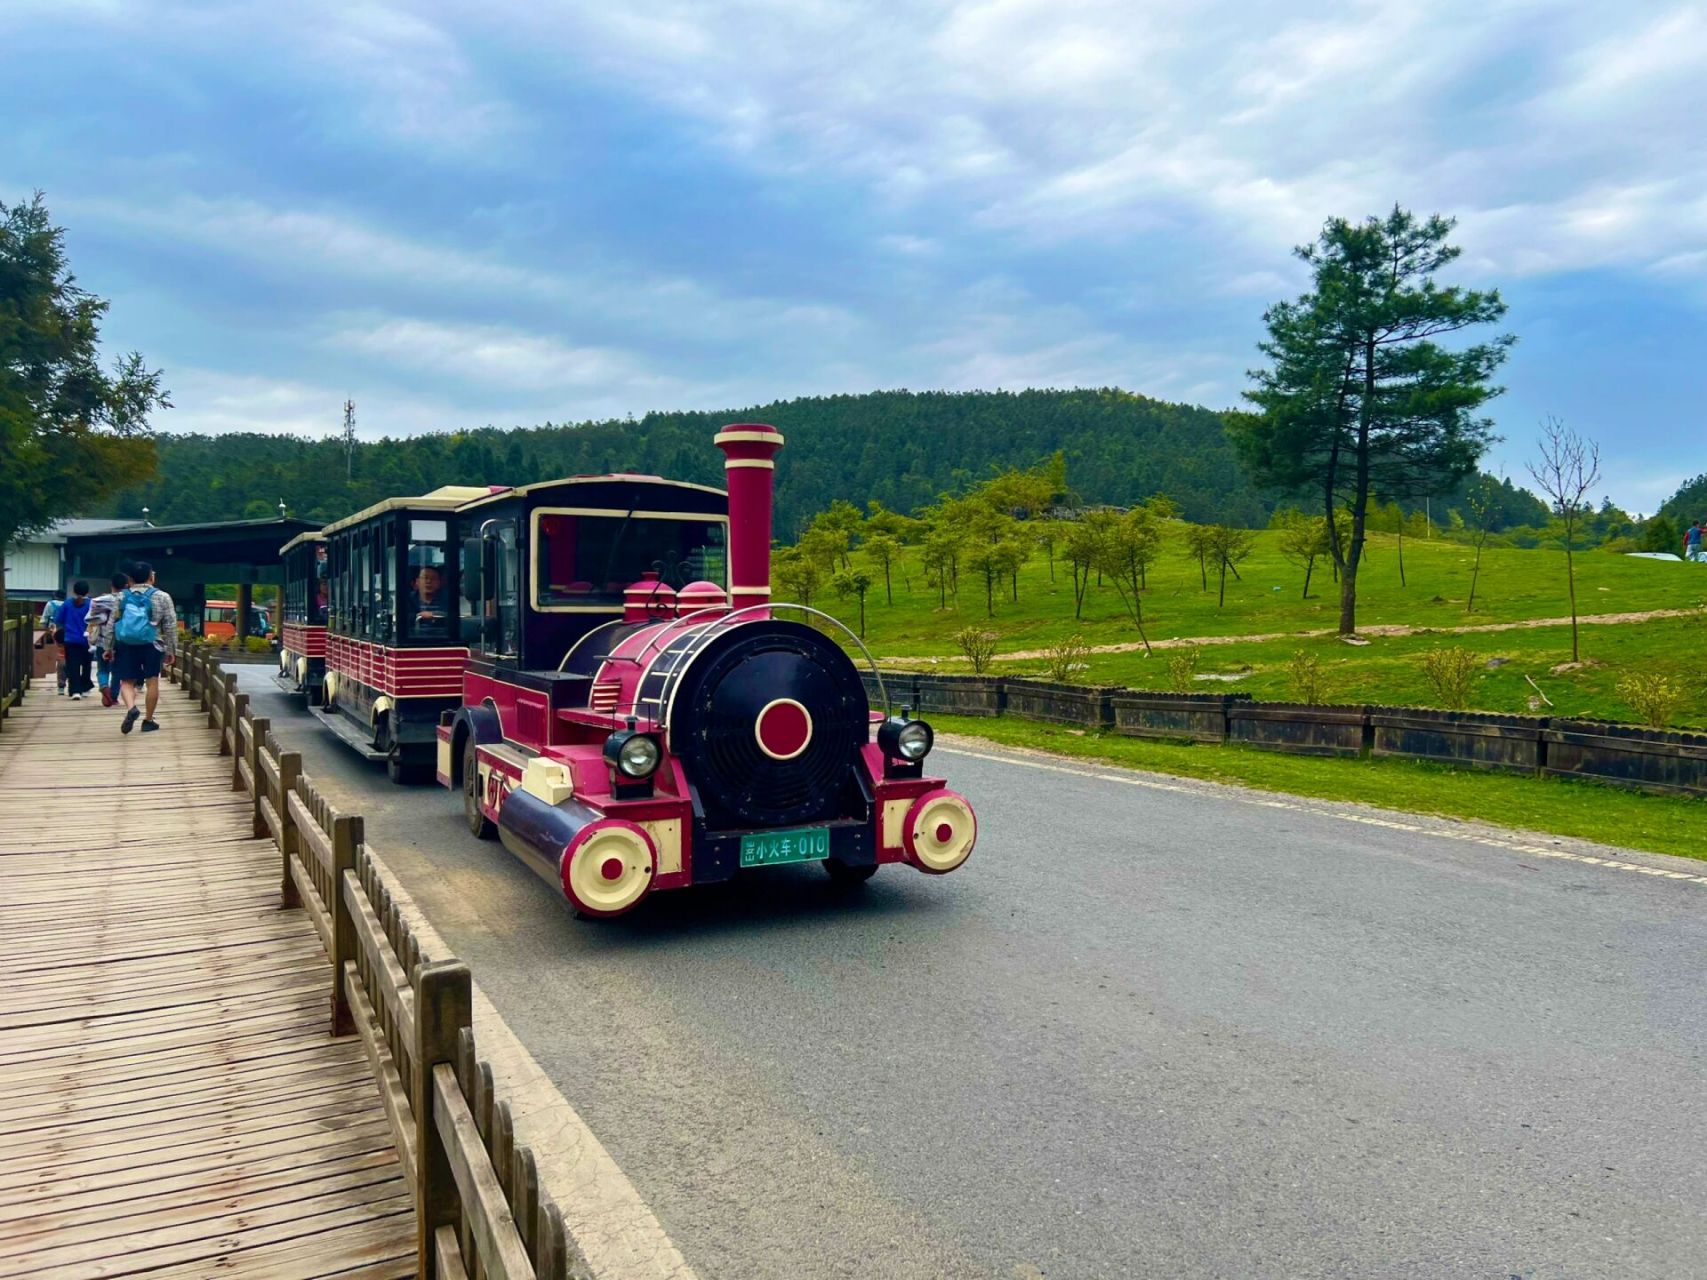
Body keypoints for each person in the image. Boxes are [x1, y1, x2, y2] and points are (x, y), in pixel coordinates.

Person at [107, 561, 178, 734]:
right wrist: (171, 649)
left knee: (126, 681)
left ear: (129, 579)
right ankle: (148, 720)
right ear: (151, 577)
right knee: (152, 681)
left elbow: (111, 624)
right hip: (152, 643)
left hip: (126, 643)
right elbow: (170, 625)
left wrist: (108, 647)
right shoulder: (162, 597)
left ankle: (131, 708)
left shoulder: (120, 597)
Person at [86, 570, 130, 707]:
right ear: (126, 585)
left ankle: (104, 685)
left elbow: (90, 618)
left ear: (111, 584)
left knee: (102, 667)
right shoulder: (128, 600)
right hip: (121, 639)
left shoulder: (102, 600)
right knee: (117, 670)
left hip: (101, 639)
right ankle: (114, 697)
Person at [58, 581, 94, 701]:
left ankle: (75, 691)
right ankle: (85, 687)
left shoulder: (67, 604)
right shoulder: (91, 604)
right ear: (87, 592)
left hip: (70, 639)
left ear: (74, 591)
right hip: (88, 640)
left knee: (73, 666)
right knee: (86, 664)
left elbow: (59, 619)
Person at [40, 591, 66, 693]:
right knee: (65, 657)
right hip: (66, 632)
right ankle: (68, 683)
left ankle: (60, 684)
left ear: (55, 596)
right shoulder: (67, 604)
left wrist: (43, 633)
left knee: (58, 656)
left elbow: (44, 620)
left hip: (53, 632)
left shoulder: (50, 604)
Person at [409, 563, 447, 630]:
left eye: (433, 578)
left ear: (439, 583)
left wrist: (433, 614)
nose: (428, 581)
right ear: (417, 582)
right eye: (425, 578)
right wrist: (418, 616)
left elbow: (452, 615)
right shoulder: (408, 599)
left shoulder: (447, 599)